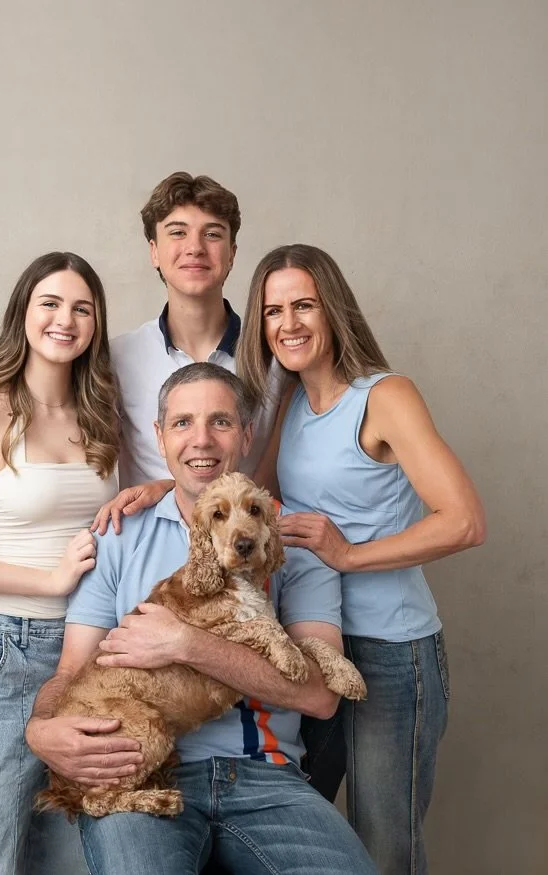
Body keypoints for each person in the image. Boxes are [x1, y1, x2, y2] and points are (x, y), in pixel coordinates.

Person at [25, 363, 377, 875]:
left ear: (248, 434)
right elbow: (69, 672)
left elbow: (320, 696)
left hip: (267, 776)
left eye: (221, 422)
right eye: (183, 423)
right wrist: (40, 729)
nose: (202, 440)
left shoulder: (291, 538)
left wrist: (184, 643)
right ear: (160, 437)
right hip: (144, 769)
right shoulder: (117, 536)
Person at [236, 244, 486, 875]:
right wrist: (160, 490)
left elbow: (464, 521)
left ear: (333, 309)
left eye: (303, 305)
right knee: (304, 835)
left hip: (391, 652)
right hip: (314, 644)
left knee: (384, 846)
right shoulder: (290, 402)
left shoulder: (385, 396)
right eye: (272, 311)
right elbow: (253, 496)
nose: (287, 324)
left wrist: (348, 555)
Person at [0, 252, 130, 874]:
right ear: (24, 314)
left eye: (82, 308)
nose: (66, 319)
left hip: (90, 652)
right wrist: (51, 580)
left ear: (96, 324)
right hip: (5, 651)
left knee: (71, 855)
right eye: (51, 303)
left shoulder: (101, 419)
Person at [107, 171, 280, 503]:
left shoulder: (274, 355)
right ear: (154, 252)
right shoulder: (118, 358)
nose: (195, 248)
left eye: (212, 234)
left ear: (232, 253)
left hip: (249, 547)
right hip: (151, 548)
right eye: (177, 233)